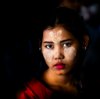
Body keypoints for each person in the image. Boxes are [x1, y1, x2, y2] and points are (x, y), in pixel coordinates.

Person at [17, 7, 90, 99]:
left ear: (84, 42)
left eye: (66, 44)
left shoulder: (89, 82)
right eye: (49, 46)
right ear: (40, 45)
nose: (57, 56)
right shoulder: (30, 95)